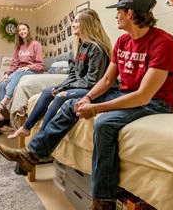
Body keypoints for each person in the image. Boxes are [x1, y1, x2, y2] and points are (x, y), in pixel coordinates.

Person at [0, 0, 173, 210]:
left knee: (104, 123)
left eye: (119, 11)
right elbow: (104, 81)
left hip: (155, 102)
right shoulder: (123, 42)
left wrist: (96, 109)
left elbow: (143, 95)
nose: (116, 16)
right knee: (70, 104)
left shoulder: (163, 43)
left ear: (130, 13)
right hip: (125, 93)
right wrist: (87, 98)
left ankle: (102, 201)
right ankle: (31, 154)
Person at [8, 8, 115, 139]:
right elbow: (72, 75)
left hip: (95, 89)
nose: (73, 25)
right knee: (48, 91)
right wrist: (60, 86)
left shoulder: (96, 48)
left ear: (86, 24)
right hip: (83, 86)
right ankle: (26, 127)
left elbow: (92, 80)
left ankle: (41, 138)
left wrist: (64, 89)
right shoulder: (78, 48)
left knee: (61, 96)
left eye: (76, 21)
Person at [0, 22, 44, 123]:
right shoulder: (18, 46)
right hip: (21, 71)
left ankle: (5, 100)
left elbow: (40, 65)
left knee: (20, 71)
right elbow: (14, 64)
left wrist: (28, 67)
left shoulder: (36, 44)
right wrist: (7, 74)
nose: (22, 32)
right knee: (1, 84)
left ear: (28, 30)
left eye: (24, 29)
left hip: (34, 71)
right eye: (19, 30)